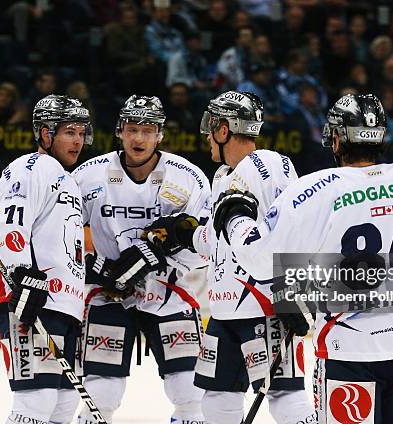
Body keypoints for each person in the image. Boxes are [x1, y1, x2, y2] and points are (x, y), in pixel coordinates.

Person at [212, 93, 393, 423]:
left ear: (337, 138)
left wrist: (236, 216)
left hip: (348, 350)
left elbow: (259, 258)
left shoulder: (317, 189)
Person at [144, 91, 316, 424]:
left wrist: (292, 295)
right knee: (217, 400)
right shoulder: (223, 177)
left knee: (285, 397)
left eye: (212, 125)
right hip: (224, 313)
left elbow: (292, 230)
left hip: (264, 307)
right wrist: (183, 233)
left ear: (225, 129)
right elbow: (217, 242)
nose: (206, 134)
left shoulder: (268, 164)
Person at [74, 95, 210, 424]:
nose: (139, 138)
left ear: (160, 134)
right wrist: (99, 271)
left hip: (169, 295)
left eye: (148, 131)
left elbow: (204, 242)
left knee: (190, 393)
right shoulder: (89, 175)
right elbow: (62, 236)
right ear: (119, 131)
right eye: (132, 129)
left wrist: (155, 266)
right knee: (101, 396)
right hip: (108, 296)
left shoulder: (187, 177)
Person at [0, 94, 93, 424]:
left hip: (63, 305)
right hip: (30, 299)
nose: (77, 140)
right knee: (36, 401)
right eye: (69, 132)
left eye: (80, 132)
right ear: (45, 134)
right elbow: (10, 223)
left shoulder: (67, 180)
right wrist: (20, 273)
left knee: (61, 403)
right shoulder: (31, 168)